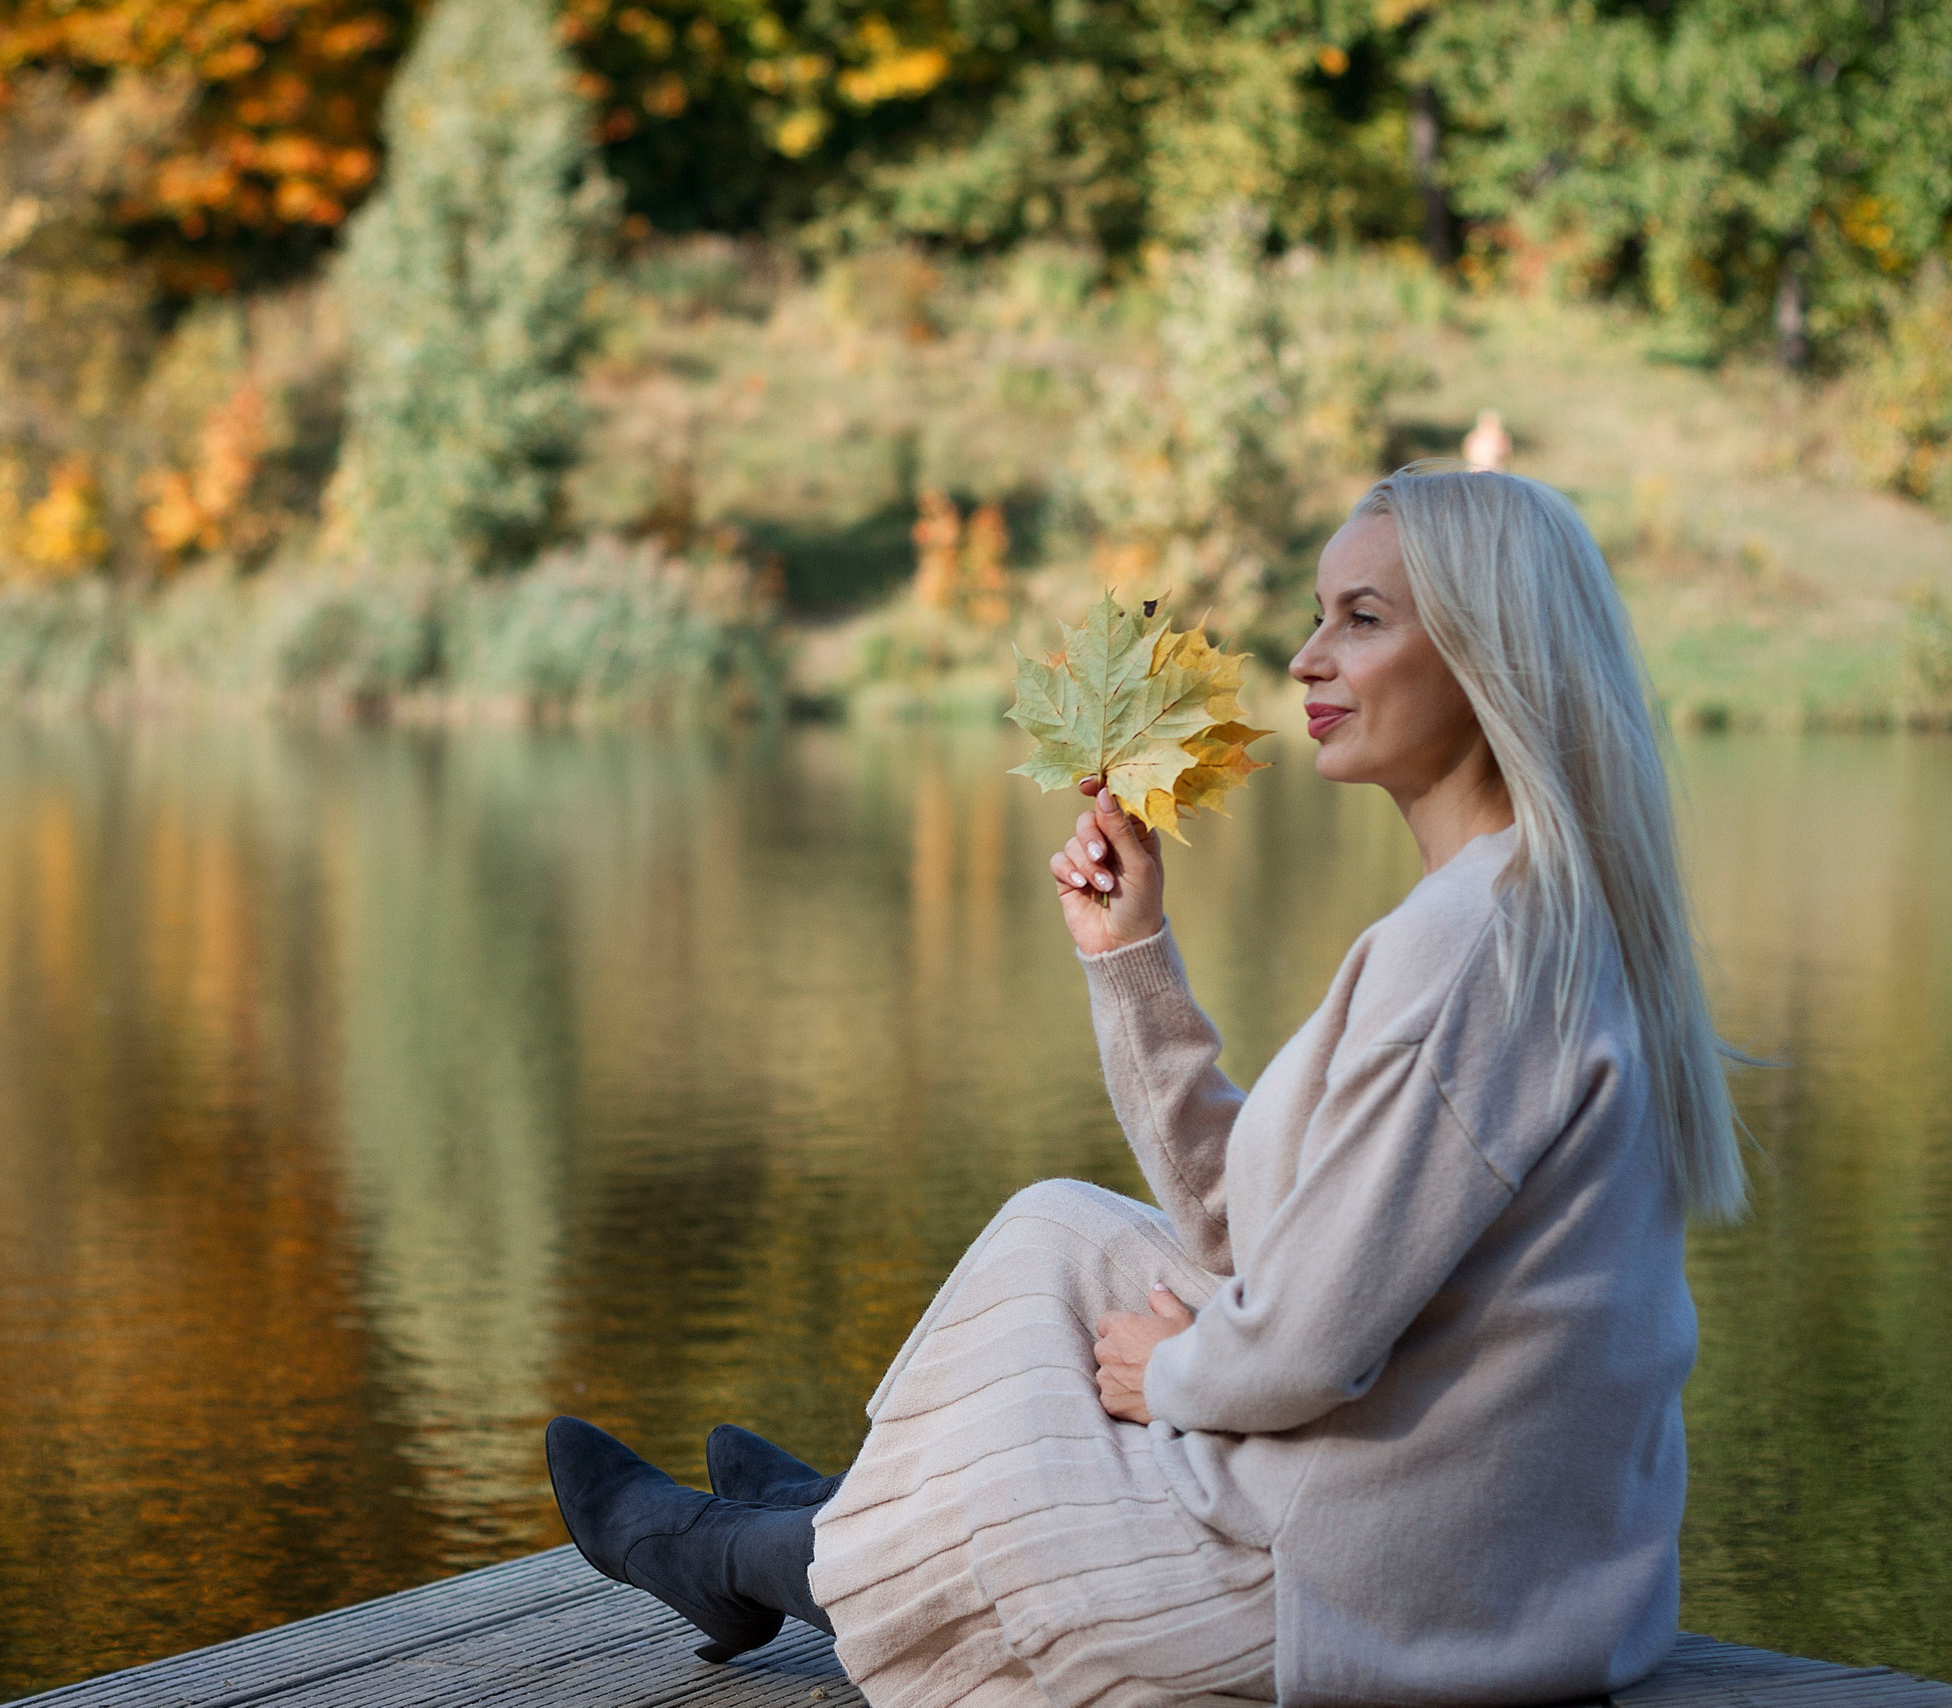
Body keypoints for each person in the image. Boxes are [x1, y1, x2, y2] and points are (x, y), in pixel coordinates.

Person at [545, 466, 1747, 1708]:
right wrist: (1130, 960)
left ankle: (736, 1552)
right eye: (1319, 613)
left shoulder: (1472, 953)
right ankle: (839, 1515)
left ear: (1492, 652)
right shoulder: (1525, 908)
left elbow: (1302, 1345)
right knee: (1061, 1234)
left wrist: (1177, 1374)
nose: (1305, 657)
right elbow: (1260, 1235)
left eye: (1362, 617)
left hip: (1387, 1591)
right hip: (1520, 1564)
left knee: (1031, 1416)